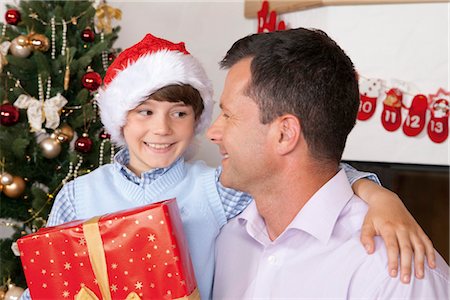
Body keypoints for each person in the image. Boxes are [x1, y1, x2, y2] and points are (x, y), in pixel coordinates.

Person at [19, 33, 436, 300]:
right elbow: (46, 279)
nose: (161, 128)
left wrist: (376, 193)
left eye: (179, 113)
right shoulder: (80, 193)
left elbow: (305, 176)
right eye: (143, 112)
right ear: (119, 119)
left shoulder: (219, 188)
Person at [210, 28, 449, 298]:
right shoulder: (226, 239)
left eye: (228, 116)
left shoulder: (395, 275)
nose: (212, 133)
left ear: (285, 134)